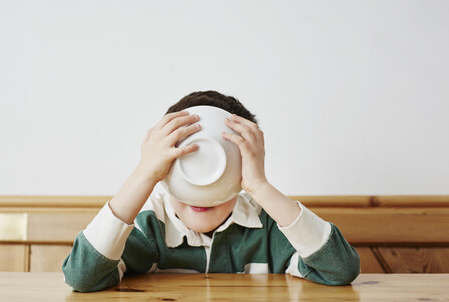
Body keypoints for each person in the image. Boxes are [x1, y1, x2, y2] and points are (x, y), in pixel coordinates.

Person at [62, 90, 360, 292]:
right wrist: (144, 173)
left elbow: (340, 270)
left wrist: (259, 185)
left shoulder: (269, 229)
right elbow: (81, 276)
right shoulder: (151, 228)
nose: (201, 186)